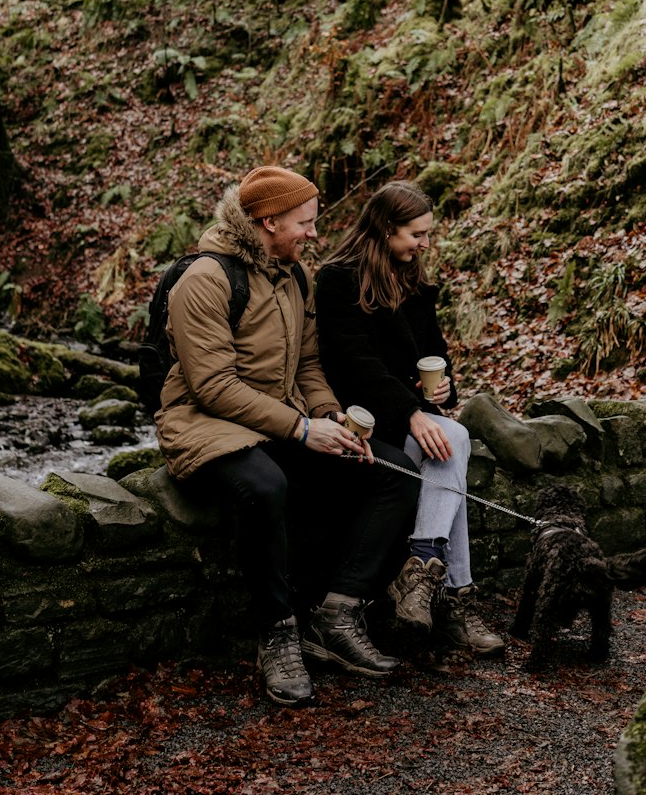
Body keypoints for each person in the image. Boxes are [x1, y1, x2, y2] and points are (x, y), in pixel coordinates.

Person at [155, 165, 419, 707]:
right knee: (265, 488)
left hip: (281, 418)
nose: (314, 234)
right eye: (305, 223)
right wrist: (301, 429)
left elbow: (308, 364)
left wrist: (330, 417)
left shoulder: (294, 275)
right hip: (206, 424)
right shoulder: (205, 279)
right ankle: (277, 632)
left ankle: (337, 615)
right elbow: (213, 387)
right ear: (267, 221)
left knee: (394, 474)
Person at [315, 180, 504, 657]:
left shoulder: (414, 282)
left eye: (426, 234)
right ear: (384, 228)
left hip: (408, 411)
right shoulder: (337, 278)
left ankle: (423, 569)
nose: (424, 244)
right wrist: (414, 411)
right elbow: (359, 364)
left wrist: (442, 390)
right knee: (453, 443)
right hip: (362, 422)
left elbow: (433, 354)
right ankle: (454, 598)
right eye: (416, 234)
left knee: (452, 440)